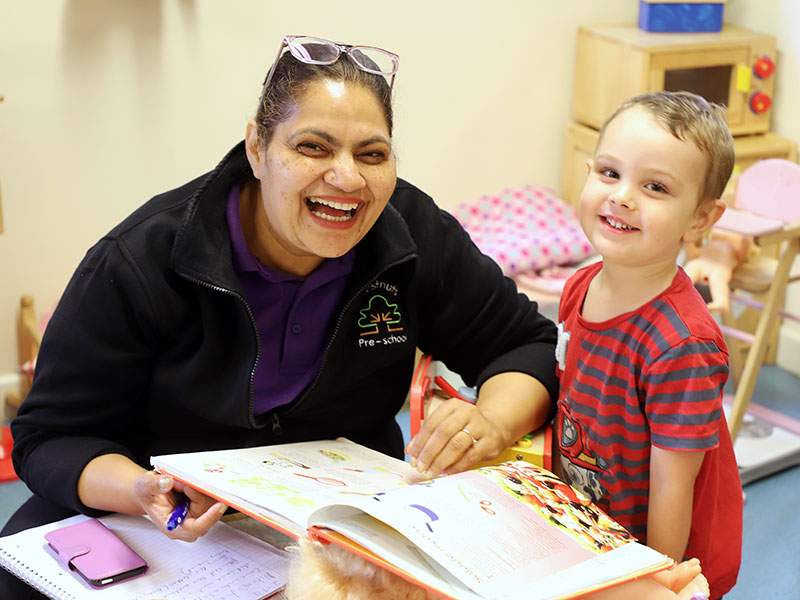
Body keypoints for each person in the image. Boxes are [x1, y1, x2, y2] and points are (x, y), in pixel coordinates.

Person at [1, 35, 558, 598]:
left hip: (341, 517)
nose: (347, 179)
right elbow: (50, 437)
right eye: (313, 147)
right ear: (257, 148)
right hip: (162, 518)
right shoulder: (143, 257)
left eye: (372, 154)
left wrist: (491, 420)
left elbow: (524, 346)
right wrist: (142, 490)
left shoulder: (410, 231)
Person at [553, 91, 743, 599]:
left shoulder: (681, 343)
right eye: (610, 174)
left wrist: (658, 579)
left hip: (656, 555)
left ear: (701, 217)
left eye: (655, 186)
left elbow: (673, 488)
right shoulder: (580, 284)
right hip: (589, 531)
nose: (622, 197)